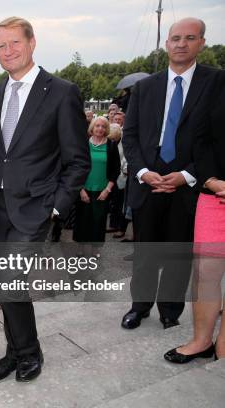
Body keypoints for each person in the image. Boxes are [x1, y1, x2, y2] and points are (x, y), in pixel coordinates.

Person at [0, 16, 90, 383]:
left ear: (31, 43)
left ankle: (29, 352)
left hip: (37, 208)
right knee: (3, 282)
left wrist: (57, 206)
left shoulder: (61, 91)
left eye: (14, 43)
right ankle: (14, 351)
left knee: (11, 278)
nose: (8, 51)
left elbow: (78, 159)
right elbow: (0, 154)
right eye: (0, 45)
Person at [121, 17, 220, 330]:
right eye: (175, 38)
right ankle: (139, 306)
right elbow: (131, 135)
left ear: (201, 43)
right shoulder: (144, 87)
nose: (181, 44)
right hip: (147, 180)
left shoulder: (217, 83)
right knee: (146, 252)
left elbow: (219, 139)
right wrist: (143, 172)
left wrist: (188, 175)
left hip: (190, 183)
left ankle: (170, 309)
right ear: (166, 43)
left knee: (179, 252)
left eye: (189, 38)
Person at [164, 71, 225, 363]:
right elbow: (201, 138)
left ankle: (223, 344)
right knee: (205, 274)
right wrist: (211, 179)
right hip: (214, 194)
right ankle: (202, 341)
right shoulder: (217, 83)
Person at [73, 117, 120, 255]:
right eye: (97, 126)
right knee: (82, 219)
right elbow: (75, 168)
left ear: (107, 129)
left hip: (102, 191)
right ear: (92, 128)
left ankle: (95, 249)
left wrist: (107, 189)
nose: (100, 129)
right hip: (84, 189)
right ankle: (80, 248)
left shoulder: (111, 145)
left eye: (103, 126)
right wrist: (80, 190)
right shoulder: (83, 144)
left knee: (98, 220)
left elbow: (115, 170)